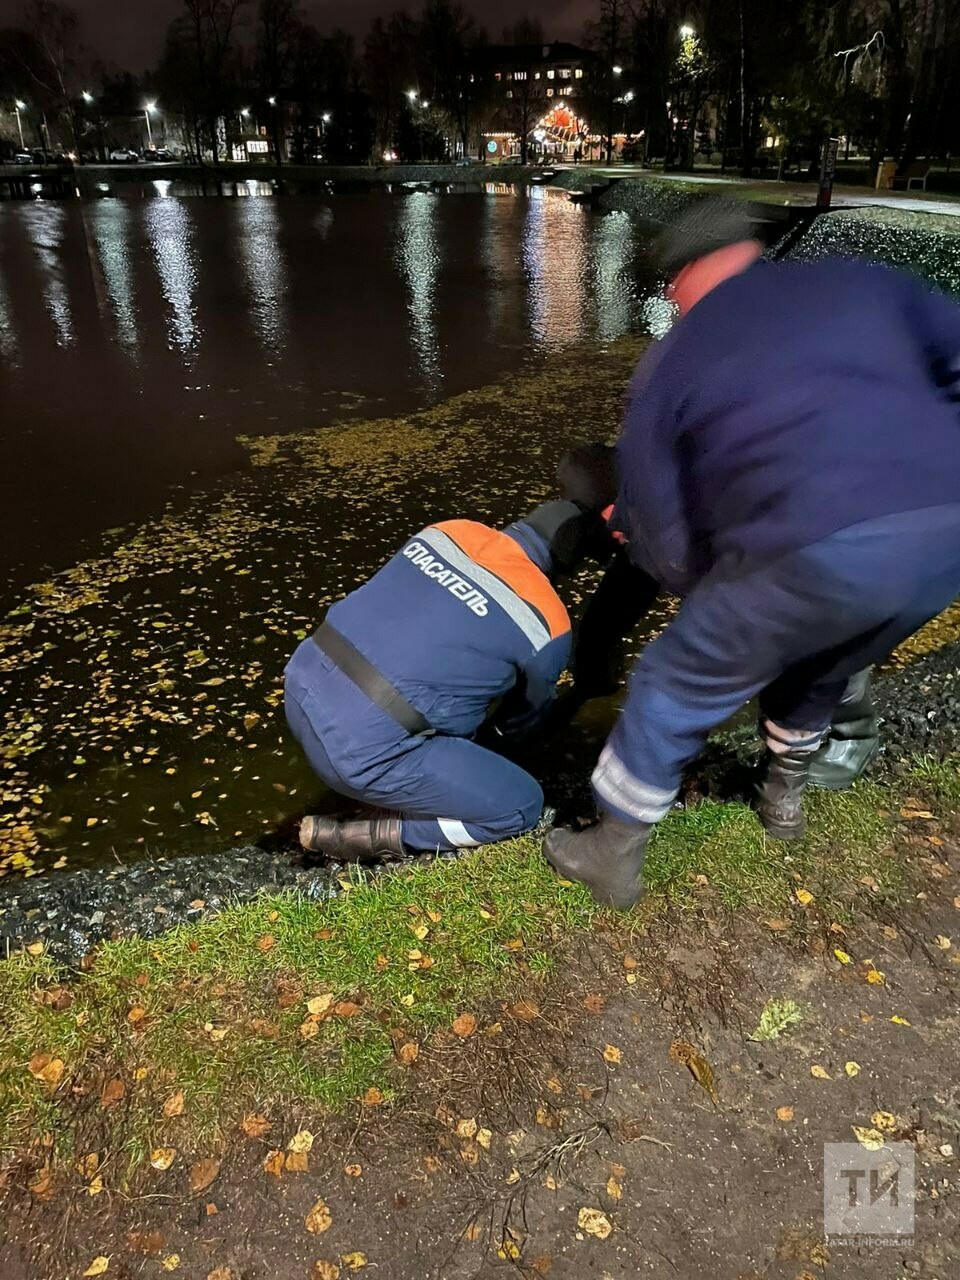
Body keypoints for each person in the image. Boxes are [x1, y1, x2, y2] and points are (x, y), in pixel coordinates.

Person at [545, 197, 960, 908]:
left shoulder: (675, 360)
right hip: (946, 533)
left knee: (673, 681)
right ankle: (782, 801)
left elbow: (666, 536)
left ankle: (611, 853)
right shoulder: (857, 279)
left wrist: (713, 595)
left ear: (681, 279)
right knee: (821, 663)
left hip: (814, 537)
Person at [285, 499, 610, 861]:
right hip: (359, 754)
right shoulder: (548, 619)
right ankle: (367, 835)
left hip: (299, 685)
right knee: (521, 806)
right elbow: (520, 723)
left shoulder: (449, 530)